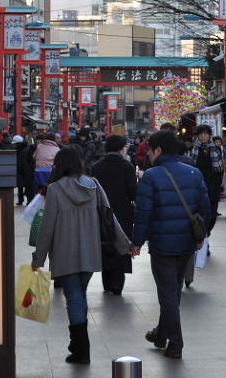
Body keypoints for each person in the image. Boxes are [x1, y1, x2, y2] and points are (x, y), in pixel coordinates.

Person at [31, 147, 130, 364]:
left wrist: (38, 259)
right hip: (90, 251)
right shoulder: (93, 185)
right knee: (79, 295)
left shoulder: (55, 189)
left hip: (66, 252)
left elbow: (47, 228)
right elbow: (108, 217)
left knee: (74, 298)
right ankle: (77, 345)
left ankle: (81, 350)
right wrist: (125, 245)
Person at [129, 130, 211, 359]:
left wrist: (136, 242)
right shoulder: (194, 173)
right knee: (173, 292)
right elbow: (205, 209)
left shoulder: (151, 176)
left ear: (158, 150)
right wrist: (199, 237)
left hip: (162, 245)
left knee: (167, 294)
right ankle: (161, 334)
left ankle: (175, 342)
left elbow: (143, 213)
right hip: (186, 243)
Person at [91, 134, 137, 296]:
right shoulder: (127, 167)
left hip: (102, 212)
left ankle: (107, 282)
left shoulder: (96, 167)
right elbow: (134, 193)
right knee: (121, 245)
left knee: (105, 245)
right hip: (123, 213)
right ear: (121, 148)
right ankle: (117, 283)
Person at [188, 124, 225, 233]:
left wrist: (217, 184)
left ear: (209, 135)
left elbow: (220, 169)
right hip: (198, 186)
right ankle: (201, 237)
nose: (203, 136)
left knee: (212, 217)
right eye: (201, 134)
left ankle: (205, 234)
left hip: (213, 187)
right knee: (199, 216)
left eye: (206, 134)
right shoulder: (193, 149)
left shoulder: (216, 149)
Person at [13, 135, 34, 205]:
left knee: (23, 187)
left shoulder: (23, 150)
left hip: (23, 170)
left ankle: (23, 200)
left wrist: (25, 171)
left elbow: (25, 161)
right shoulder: (25, 149)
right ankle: (23, 200)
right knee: (24, 186)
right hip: (23, 170)